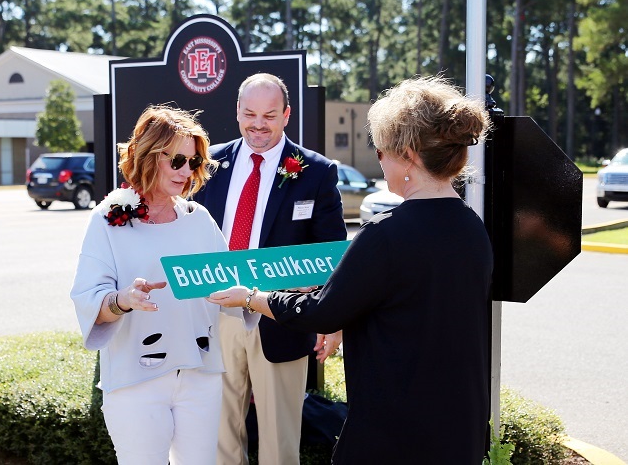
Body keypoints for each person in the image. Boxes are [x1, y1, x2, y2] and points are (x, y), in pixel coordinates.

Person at [208, 75, 493, 464]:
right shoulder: (472, 228)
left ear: (407, 155)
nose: (380, 162)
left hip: (396, 424)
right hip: (456, 421)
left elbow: (325, 309)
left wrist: (253, 297)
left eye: (380, 152)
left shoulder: (385, 233)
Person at [70, 105, 258, 465]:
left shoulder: (198, 219)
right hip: (134, 380)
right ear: (149, 155)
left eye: (194, 162)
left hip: (200, 374)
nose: (187, 171)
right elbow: (89, 300)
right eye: (177, 161)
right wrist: (122, 300)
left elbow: (231, 287)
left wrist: (261, 291)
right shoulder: (108, 220)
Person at [193, 72, 347, 465]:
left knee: (279, 445)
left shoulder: (315, 171)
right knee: (218, 440)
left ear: (286, 115)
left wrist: (333, 321)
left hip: (280, 318)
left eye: (269, 115)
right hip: (215, 315)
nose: (258, 124)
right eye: (249, 114)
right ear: (237, 112)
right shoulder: (209, 164)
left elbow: (331, 256)